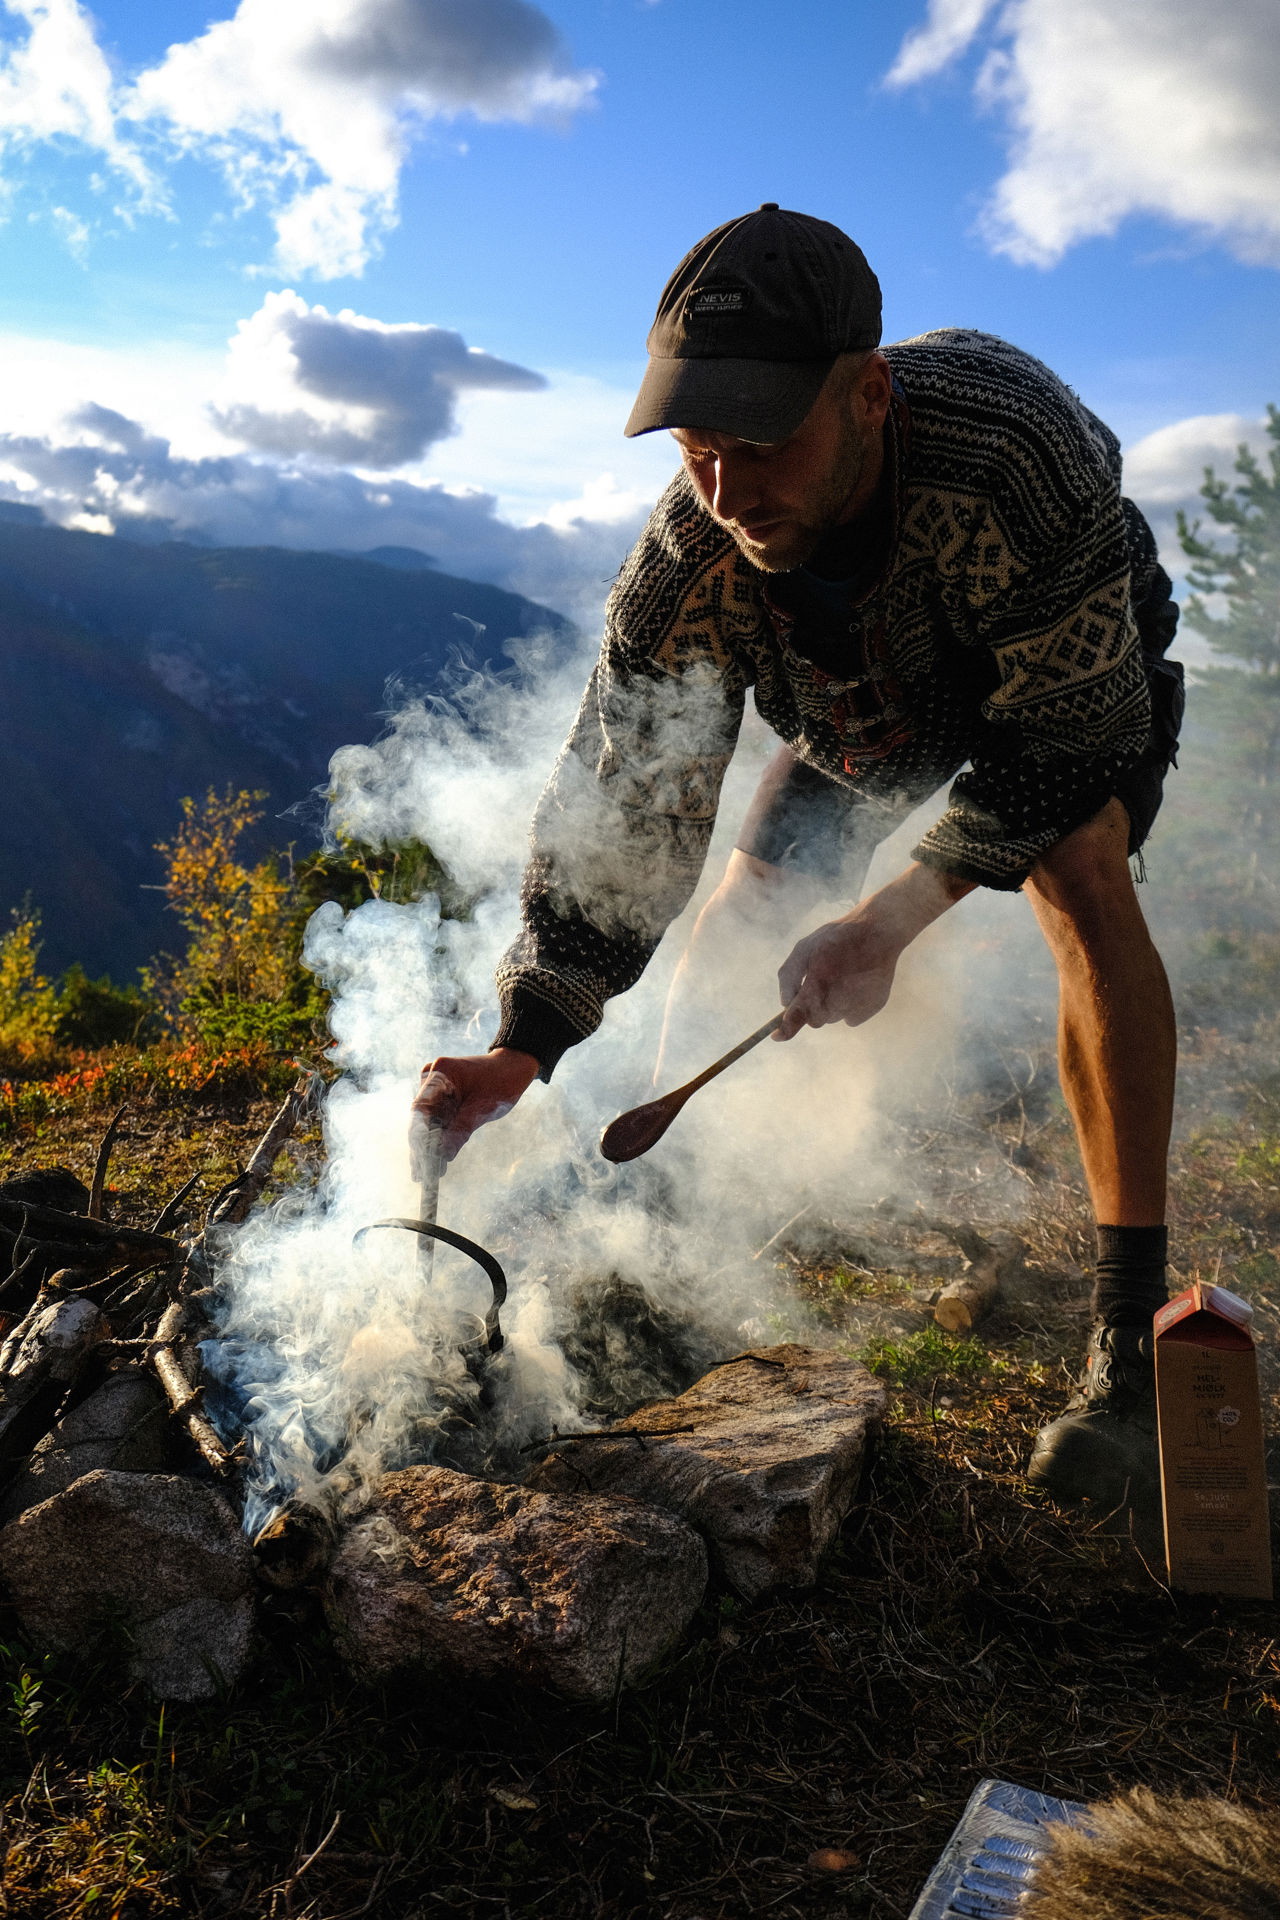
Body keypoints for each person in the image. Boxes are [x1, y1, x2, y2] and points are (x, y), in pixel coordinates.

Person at [414, 205, 1185, 1516]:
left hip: (1053, 675)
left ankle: (1127, 1340)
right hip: (864, 710)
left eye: (762, 443)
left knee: (1079, 871)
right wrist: (525, 1040)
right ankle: (662, 1219)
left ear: (869, 394)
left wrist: (885, 923)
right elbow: (624, 810)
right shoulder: (691, 555)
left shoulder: (1012, 452)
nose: (727, 488)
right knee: (746, 895)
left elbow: (1058, 750)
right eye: (699, 450)